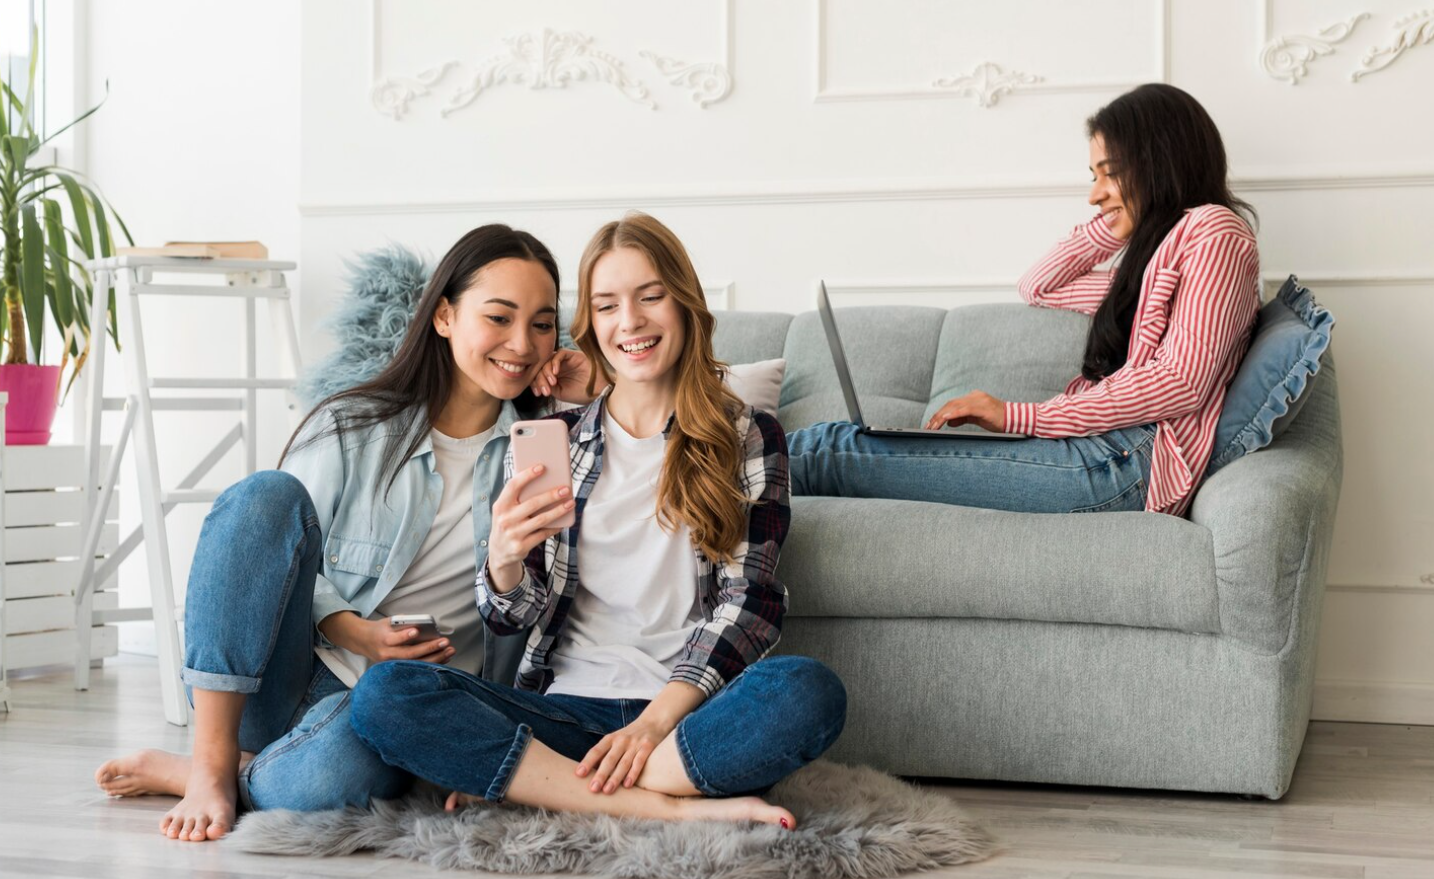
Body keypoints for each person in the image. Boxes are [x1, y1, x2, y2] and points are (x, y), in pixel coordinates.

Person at [348, 213, 847, 828]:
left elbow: (753, 605)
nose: (630, 321)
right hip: (561, 717)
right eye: (607, 305)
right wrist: (502, 561)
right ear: (590, 325)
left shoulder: (746, 435)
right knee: (386, 693)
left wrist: (653, 724)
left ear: (686, 306)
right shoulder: (555, 440)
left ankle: (544, 786)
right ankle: (661, 804)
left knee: (807, 691)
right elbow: (511, 617)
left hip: (682, 719)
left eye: (650, 297)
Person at [94, 225, 588, 840]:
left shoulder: (558, 448)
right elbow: (275, 551)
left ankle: (212, 773)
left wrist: (595, 392)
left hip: (399, 705)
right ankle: (212, 763)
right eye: (499, 317)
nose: (523, 343)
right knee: (262, 496)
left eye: (543, 325)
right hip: (293, 675)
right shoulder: (354, 425)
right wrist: (353, 630)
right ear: (443, 317)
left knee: (342, 773)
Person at [787, 83, 1261, 518]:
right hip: (1106, 450)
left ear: (1159, 162)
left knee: (831, 453)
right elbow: (1040, 285)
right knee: (827, 448)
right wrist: (1119, 217)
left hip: (1126, 461)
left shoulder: (1214, 233)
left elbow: (1180, 383)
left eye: (1109, 175)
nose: (1094, 194)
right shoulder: (1156, 261)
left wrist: (1019, 415)